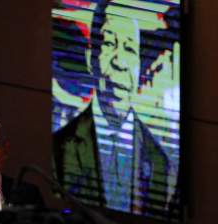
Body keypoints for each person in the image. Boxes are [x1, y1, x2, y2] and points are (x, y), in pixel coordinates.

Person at [53, 0, 171, 215]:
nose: (120, 62)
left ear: (138, 68)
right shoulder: (58, 149)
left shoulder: (160, 163)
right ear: (91, 59)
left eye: (129, 48)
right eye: (109, 44)